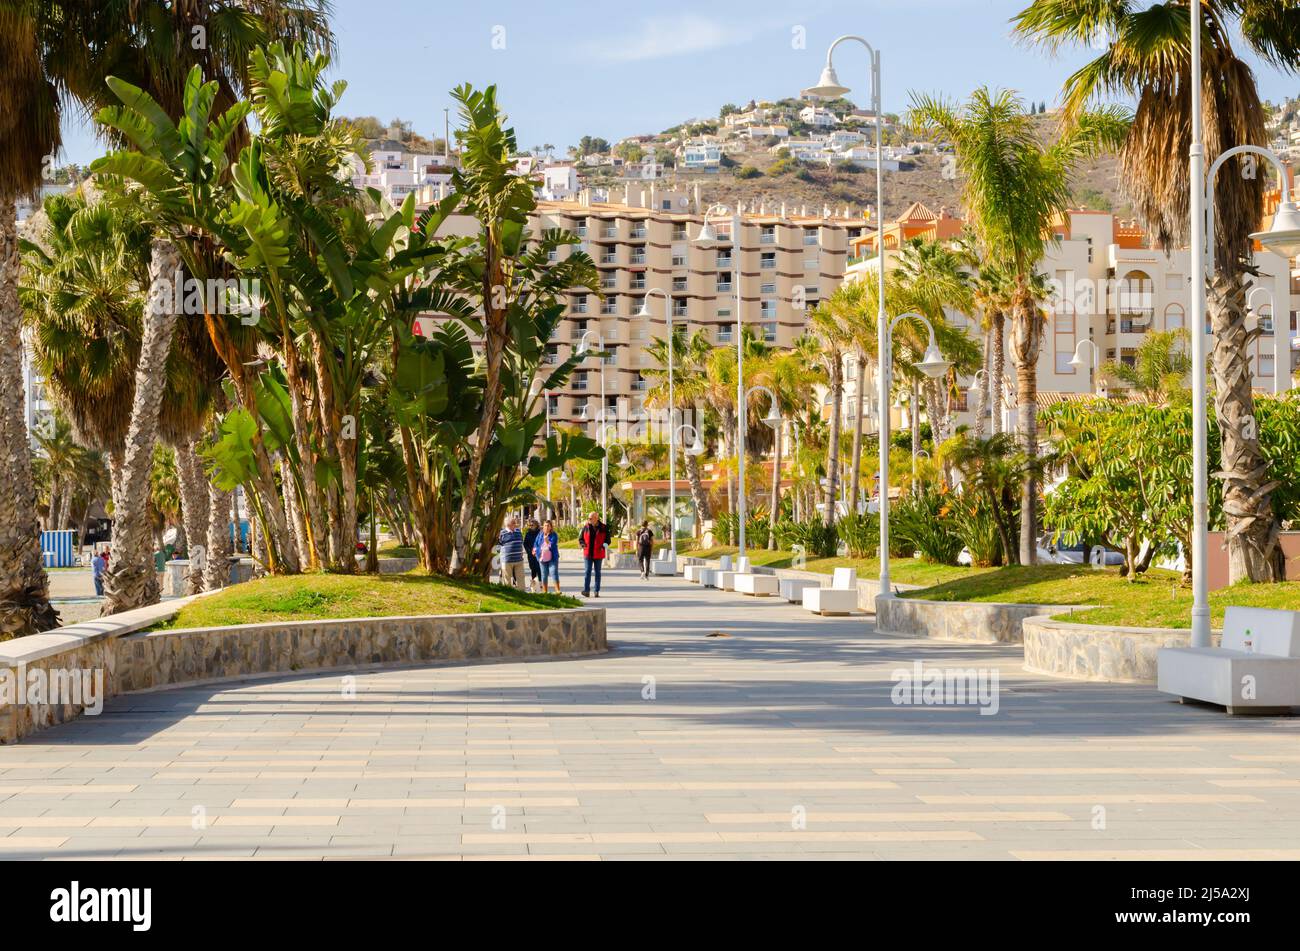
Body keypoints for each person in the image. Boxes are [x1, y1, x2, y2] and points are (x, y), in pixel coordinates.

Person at [578, 511, 608, 598]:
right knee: (587, 572)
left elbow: (608, 540)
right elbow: (581, 539)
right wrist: (583, 545)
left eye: (591, 518)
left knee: (597, 572)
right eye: (589, 518)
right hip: (588, 554)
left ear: (596, 518)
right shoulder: (586, 527)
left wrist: (603, 547)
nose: (589, 520)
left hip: (598, 553)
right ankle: (586, 591)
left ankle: (596, 591)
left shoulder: (603, 527)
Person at [497, 516, 527, 591]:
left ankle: (522, 593)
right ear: (508, 524)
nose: (516, 524)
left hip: (519, 559)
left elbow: (521, 542)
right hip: (507, 560)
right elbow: (498, 545)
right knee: (507, 579)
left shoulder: (518, 531)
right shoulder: (502, 533)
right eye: (513, 523)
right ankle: (508, 593)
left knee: (521, 578)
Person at [533, 518, 562, 595]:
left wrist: (547, 541)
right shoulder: (540, 534)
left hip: (552, 558)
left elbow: (552, 545)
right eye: (545, 525)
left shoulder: (554, 535)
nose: (546, 527)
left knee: (553, 572)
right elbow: (536, 543)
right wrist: (534, 550)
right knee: (544, 574)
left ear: (551, 527)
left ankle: (557, 590)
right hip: (542, 558)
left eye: (548, 526)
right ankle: (545, 591)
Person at [523, 518, 542, 593]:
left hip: (538, 554)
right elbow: (525, 543)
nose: (531, 526)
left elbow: (542, 543)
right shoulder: (528, 533)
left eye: (532, 525)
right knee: (533, 569)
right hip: (531, 554)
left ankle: (540, 583)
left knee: (539, 569)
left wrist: (538, 551)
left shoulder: (540, 533)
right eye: (530, 525)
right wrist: (529, 551)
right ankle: (533, 584)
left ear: (536, 525)